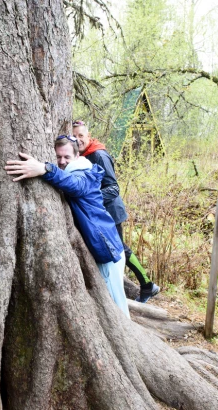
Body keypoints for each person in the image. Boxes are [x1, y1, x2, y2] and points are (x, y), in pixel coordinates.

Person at [5, 135, 130, 317]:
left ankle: (123, 343)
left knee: (116, 309)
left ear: (77, 157)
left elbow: (76, 185)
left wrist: (44, 169)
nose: (62, 162)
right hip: (103, 248)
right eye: (58, 157)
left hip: (107, 252)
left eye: (66, 157)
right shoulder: (73, 170)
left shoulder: (83, 172)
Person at [72, 120, 160, 303]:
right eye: (74, 136)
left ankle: (147, 285)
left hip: (111, 211)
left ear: (89, 136)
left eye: (81, 135)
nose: (78, 139)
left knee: (119, 249)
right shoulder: (81, 156)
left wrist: (91, 198)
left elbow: (113, 188)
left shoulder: (98, 155)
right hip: (98, 212)